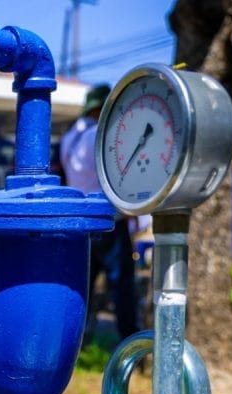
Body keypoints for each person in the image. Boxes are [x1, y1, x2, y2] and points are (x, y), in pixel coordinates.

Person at [61, 84, 139, 340]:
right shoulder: (100, 135)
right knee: (122, 287)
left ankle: (75, 342)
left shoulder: (70, 138)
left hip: (81, 223)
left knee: (82, 286)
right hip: (108, 221)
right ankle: (130, 341)